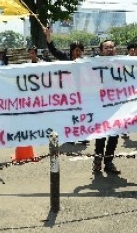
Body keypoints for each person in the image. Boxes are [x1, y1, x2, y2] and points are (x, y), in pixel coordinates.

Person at [44, 27, 89, 145]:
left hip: (82, 93)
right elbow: (53, 50)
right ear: (71, 51)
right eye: (76, 50)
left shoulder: (86, 62)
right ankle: (70, 136)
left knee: (81, 115)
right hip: (68, 94)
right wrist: (48, 36)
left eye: (80, 50)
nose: (78, 53)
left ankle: (83, 135)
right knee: (70, 115)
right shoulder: (65, 59)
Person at [92, 40, 121, 174]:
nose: (109, 49)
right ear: (101, 50)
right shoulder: (93, 63)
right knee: (101, 134)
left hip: (116, 105)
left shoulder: (121, 63)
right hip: (100, 105)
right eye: (106, 47)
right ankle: (97, 160)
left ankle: (108, 162)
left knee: (114, 135)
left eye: (111, 47)